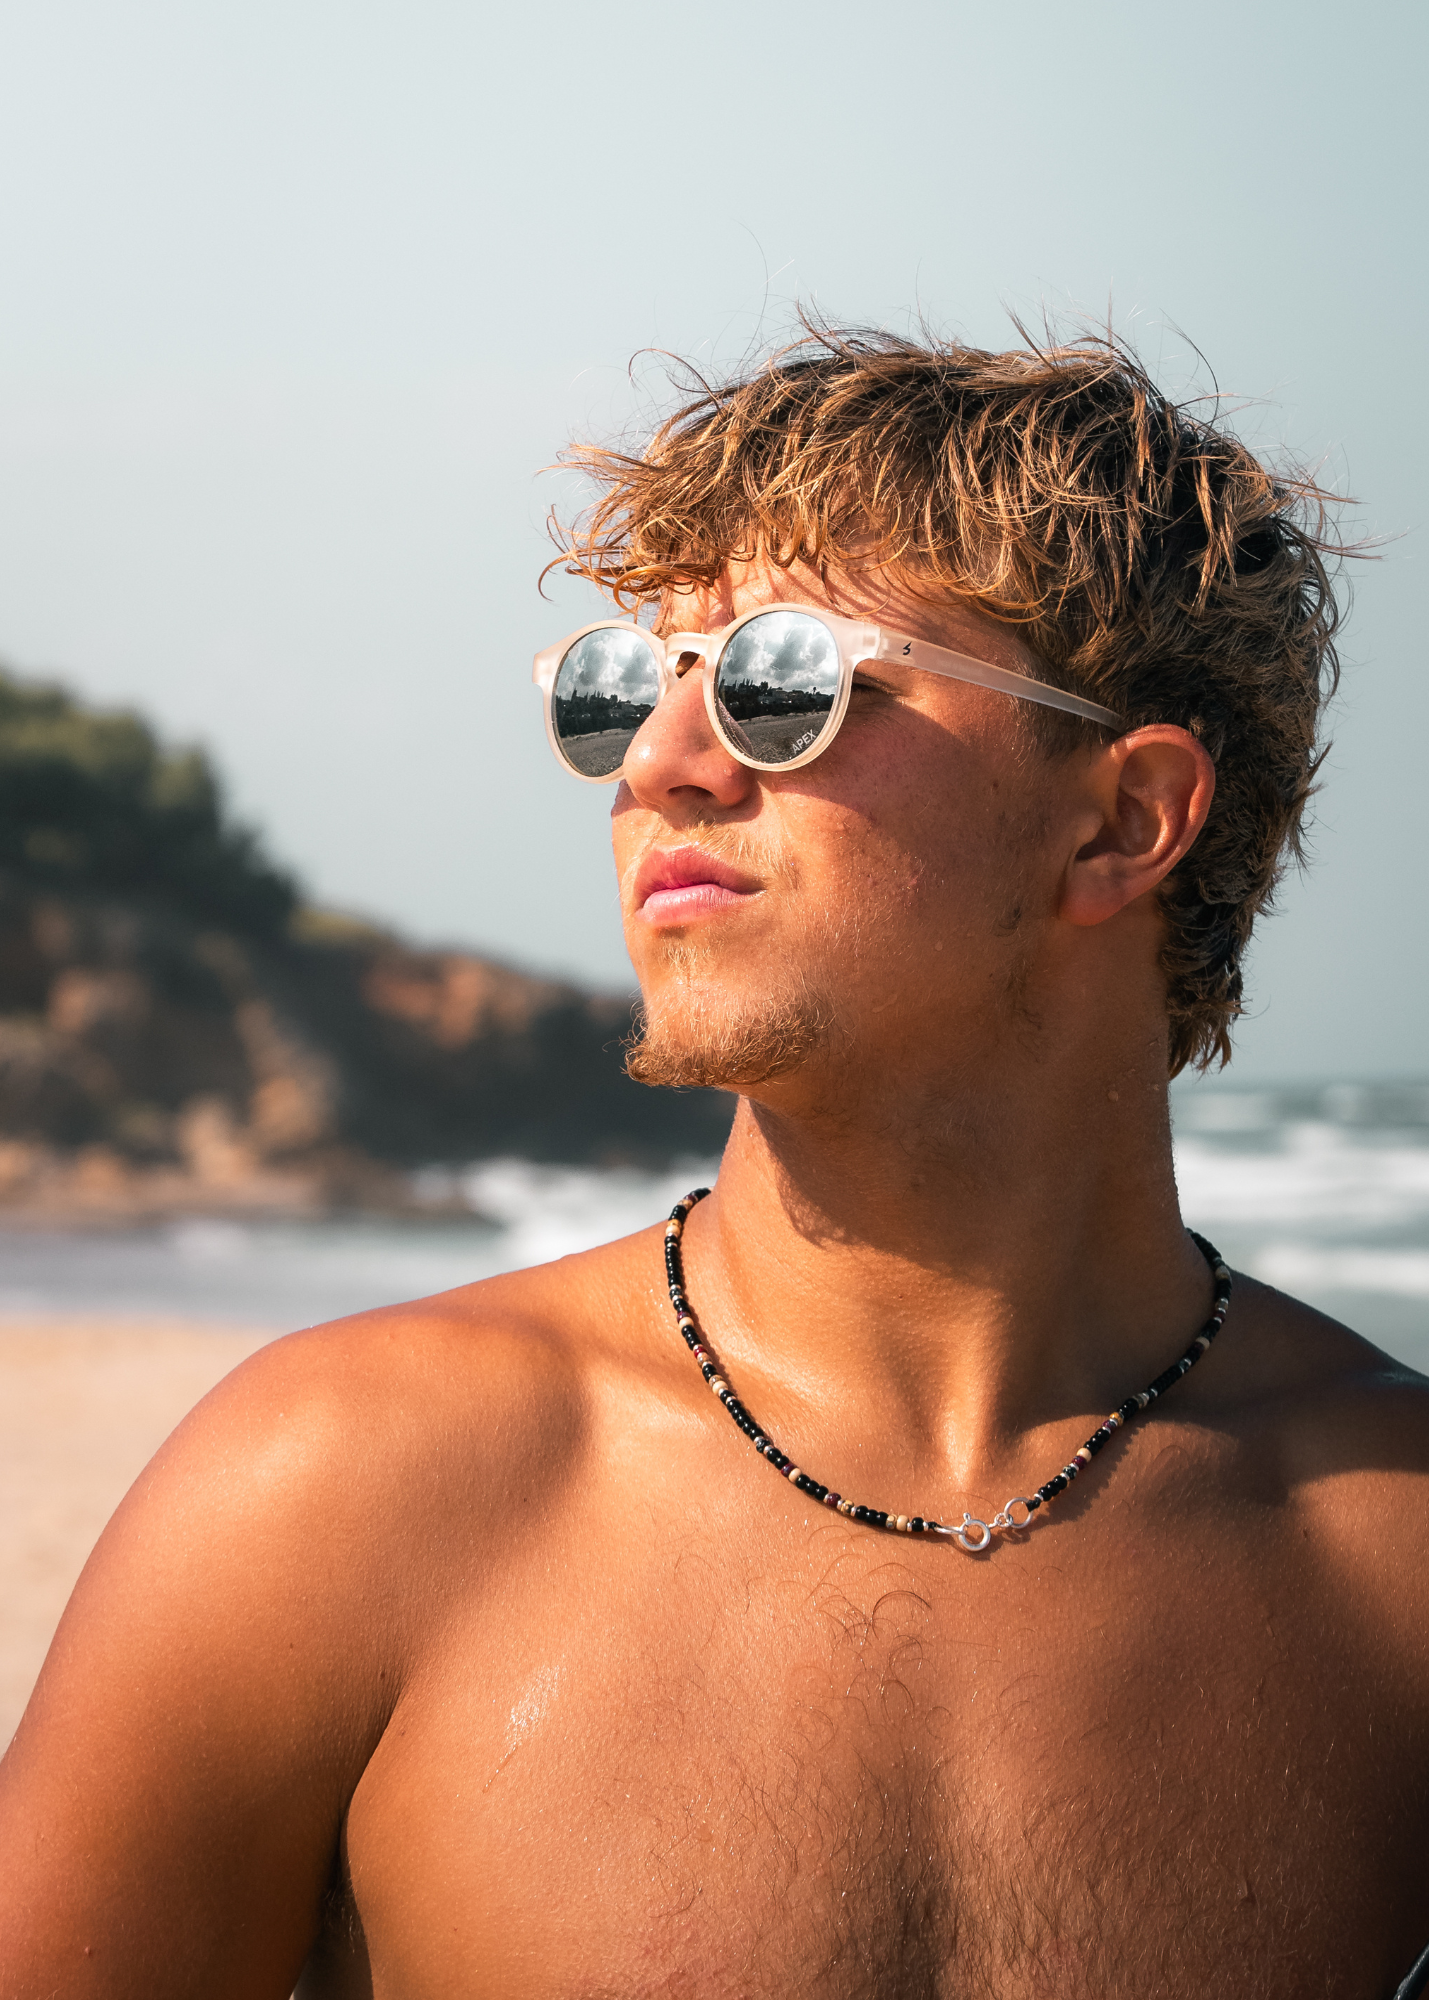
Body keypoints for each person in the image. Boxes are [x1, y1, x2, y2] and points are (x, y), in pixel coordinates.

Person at [1, 323, 1426, 2000]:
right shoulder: (332, 1494)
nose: (663, 764)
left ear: (1121, 821)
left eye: (782, 683)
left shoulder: (1392, 1556)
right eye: (627, 687)